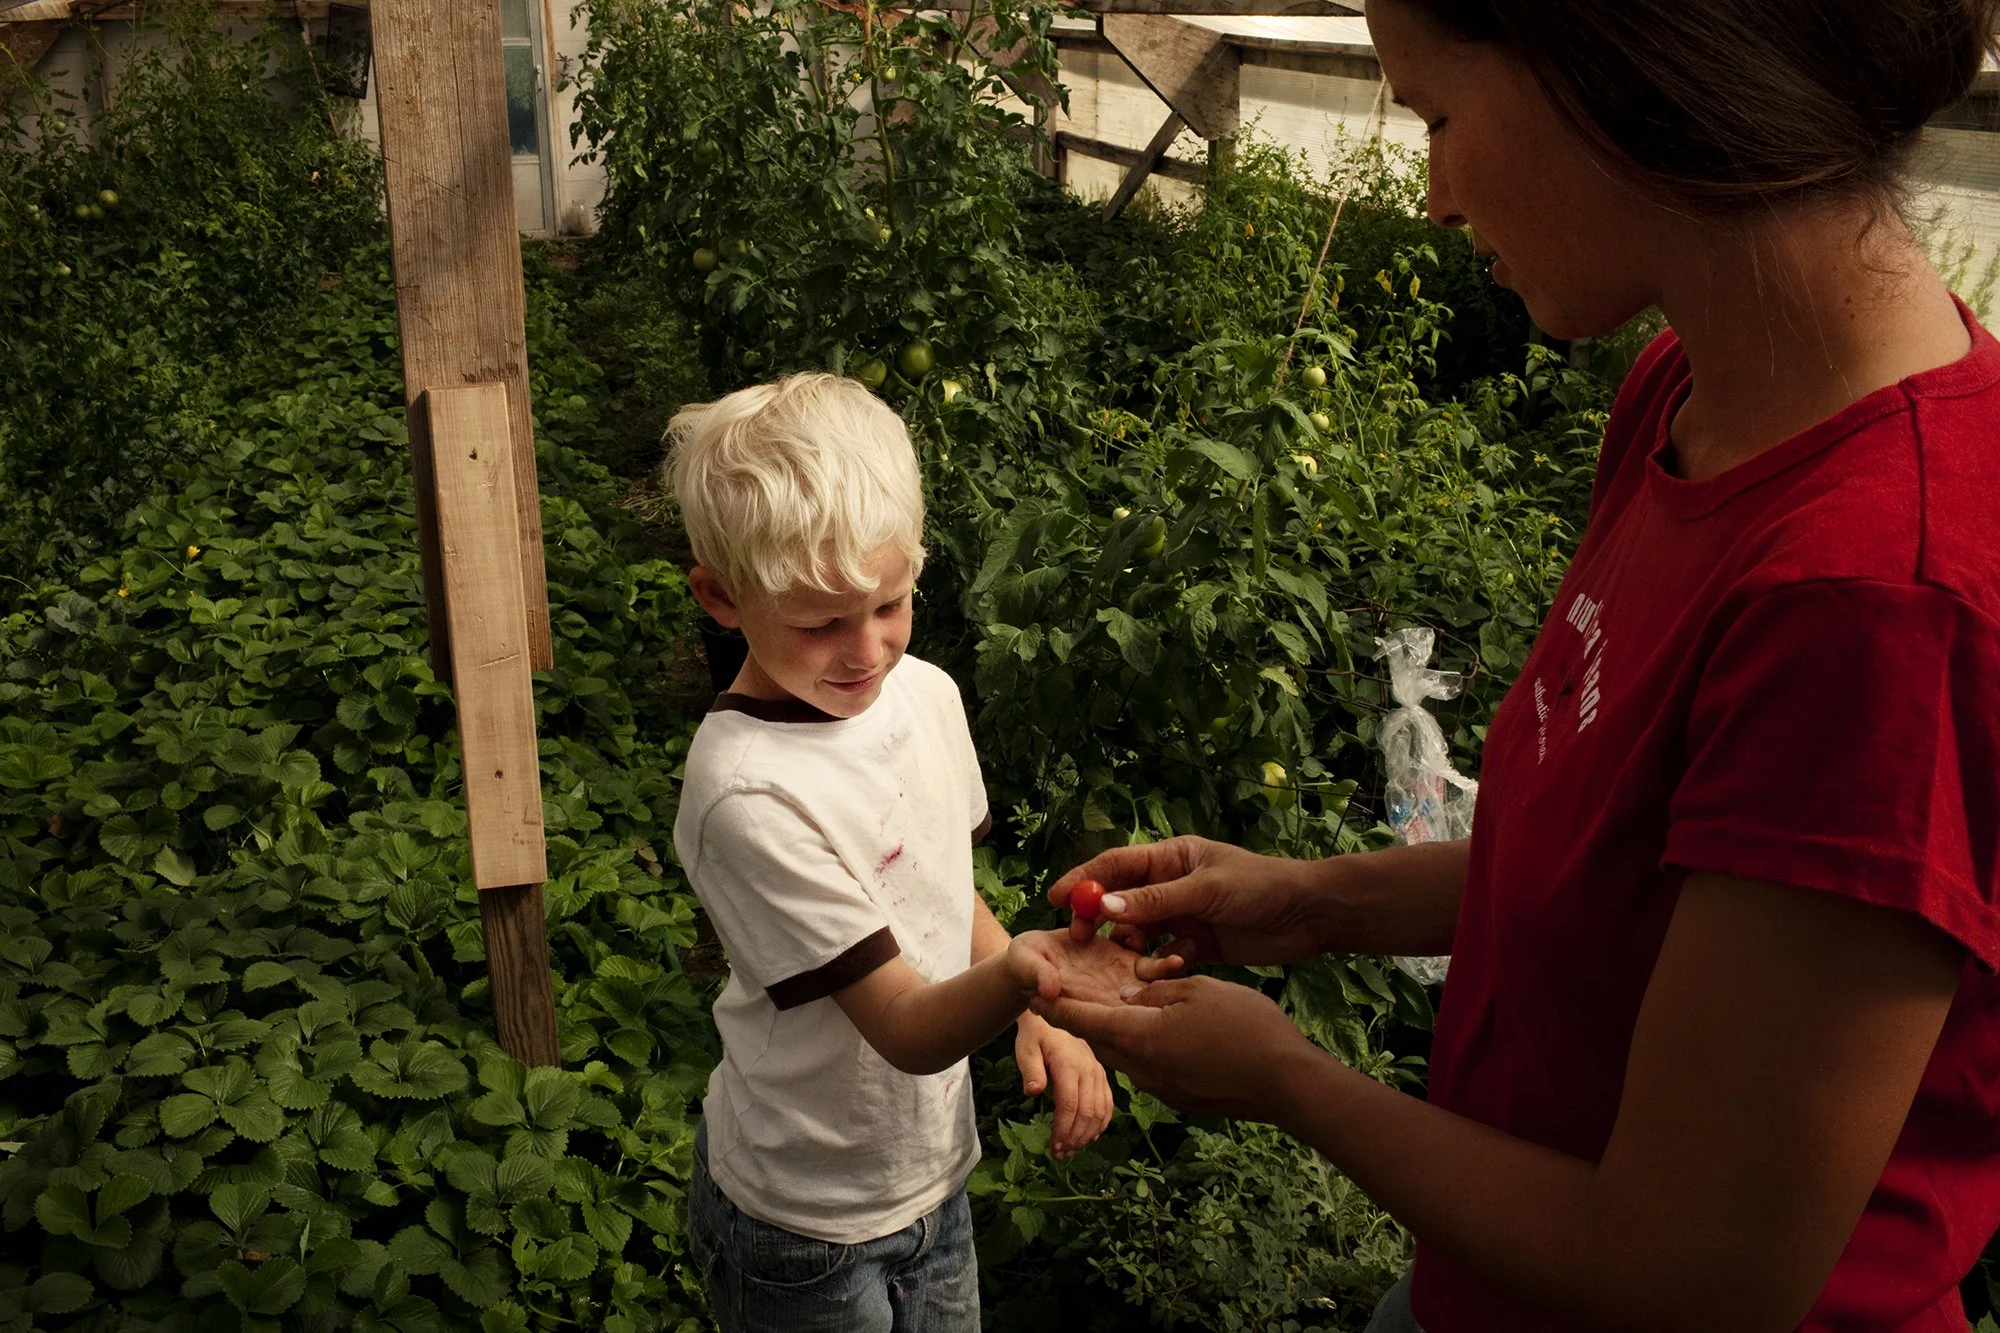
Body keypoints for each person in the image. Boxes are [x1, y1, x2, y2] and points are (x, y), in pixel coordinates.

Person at [1038, 3, 2000, 1332]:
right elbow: (1612, 873)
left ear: (1623, 70)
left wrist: (1288, 1079)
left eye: (1437, 114)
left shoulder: (1876, 601)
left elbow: (1691, 1276)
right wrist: (1306, 904)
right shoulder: (1686, 394)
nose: (1433, 197)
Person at [668, 373, 1148, 1331]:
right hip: (801, 1219)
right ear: (722, 597)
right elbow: (901, 1026)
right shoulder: (748, 794)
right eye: (819, 624)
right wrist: (1030, 975)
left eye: (889, 603)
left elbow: (941, 890)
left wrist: (1037, 1008)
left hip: (933, 1176)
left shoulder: (925, 695)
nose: (866, 652)